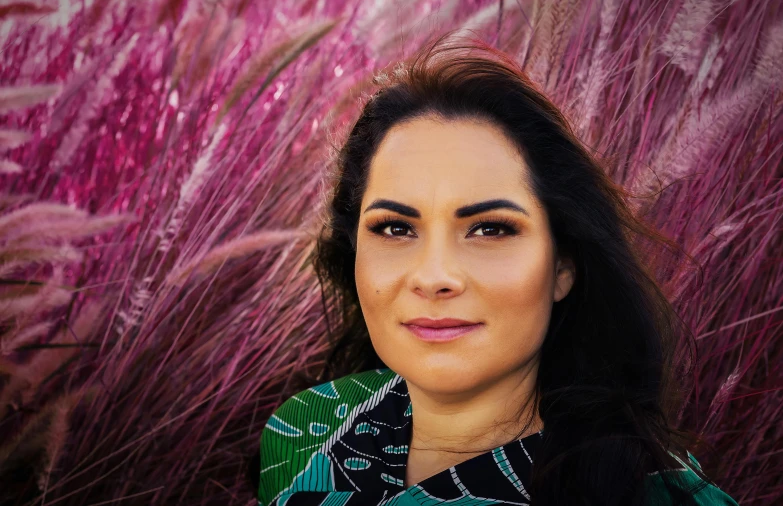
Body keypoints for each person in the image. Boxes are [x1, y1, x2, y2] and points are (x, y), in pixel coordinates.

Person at [254, 34, 740, 505]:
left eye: (490, 230)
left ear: (563, 265)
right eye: (396, 229)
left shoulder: (651, 495)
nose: (433, 276)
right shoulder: (303, 432)